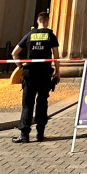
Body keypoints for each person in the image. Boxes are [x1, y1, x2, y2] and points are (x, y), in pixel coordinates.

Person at [12, 11, 60, 143]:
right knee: (42, 102)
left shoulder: (29, 35)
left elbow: (14, 53)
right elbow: (56, 56)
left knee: (27, 104)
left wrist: (20, 66)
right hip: (44, 73)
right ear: (47, 21)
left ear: (37, 21)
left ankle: (24, 135)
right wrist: (57, 72)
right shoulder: (51, 36)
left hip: (30, 73)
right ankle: (40, 133)